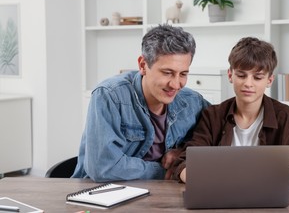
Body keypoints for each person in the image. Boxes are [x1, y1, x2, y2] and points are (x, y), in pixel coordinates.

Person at [173, 37, 289, 188]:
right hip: (221, 195)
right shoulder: (212, 116)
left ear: (269, 80)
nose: (248, 83)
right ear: (230, 75)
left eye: (258, 77)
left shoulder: (287, 118)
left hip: (270, 197)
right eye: (241, 75)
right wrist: (217, 181)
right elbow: (184, 164)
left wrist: (270, 183)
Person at [72, 24, 210, 182]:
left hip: (161, 197)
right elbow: (103, 167)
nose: (176, 84)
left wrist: (184, 153)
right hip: (101, 195)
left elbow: (219, 133)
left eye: (183, 74)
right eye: (167, 73)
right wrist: (167, 171)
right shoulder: (109, 96)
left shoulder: (193, 101)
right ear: (143, 65)